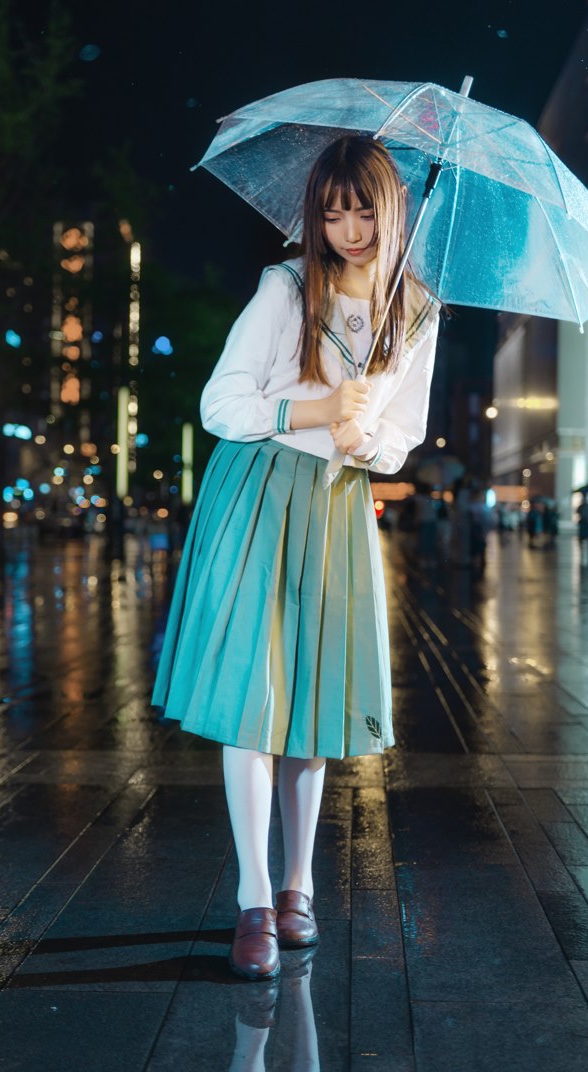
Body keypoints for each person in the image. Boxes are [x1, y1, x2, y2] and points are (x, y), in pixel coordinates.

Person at [152, 136, 440, 980]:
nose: (348, 228)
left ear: (392, 210)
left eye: (363, 210)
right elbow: (220, 402)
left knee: (310, 704)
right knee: (253, 696)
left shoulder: (414, 312)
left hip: (337, 509)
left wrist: (368, 437)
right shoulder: (285, 288)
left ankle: (297, 889)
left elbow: (404, 433)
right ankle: (251, 900)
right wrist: (312, 413)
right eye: (332, 211)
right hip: (255, 494)